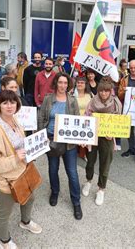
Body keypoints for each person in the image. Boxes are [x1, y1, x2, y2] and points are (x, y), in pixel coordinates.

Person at [0, 90, 42, 249]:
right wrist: (16, 158)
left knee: (30, 198)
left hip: (22, 173)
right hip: (5, 181)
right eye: (5, 102)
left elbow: (22, 145)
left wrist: (35, 146)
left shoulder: (15, 120)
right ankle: (4, 241)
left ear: (17, 104)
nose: (9, 106)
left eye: (12, 102)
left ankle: (25, 222)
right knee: (4, 213)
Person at [38, 73, 82, 220]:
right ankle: (55, 192)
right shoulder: (48, 99)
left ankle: (76, 202)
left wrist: (81, 137)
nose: (63, 86)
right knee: (52, 169)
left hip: (69, 143)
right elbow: (41, 118)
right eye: (60, 82)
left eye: (65, 83)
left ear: (68, 84)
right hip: (51, 140)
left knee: (72, 173)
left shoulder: (72, 101)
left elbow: (77, 120)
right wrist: (41, 137)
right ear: (56, 83)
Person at [82, 78, 122, 205]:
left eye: (106, 91)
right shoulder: (92, 102)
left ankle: (101, 189)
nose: (103, 94)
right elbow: (86, 117)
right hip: (92, 136)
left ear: (111, 91)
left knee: (105, 163)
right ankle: (88, 181)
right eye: (101, 91)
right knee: (90, 160)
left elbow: (120, 121)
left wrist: (113, 132)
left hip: (107, 137)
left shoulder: (115, 103)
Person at [74, 76, 93, 160]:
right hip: (75, 119)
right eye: (78, 82)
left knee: (85, 138)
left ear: (86, 84)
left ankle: (83, 154)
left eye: (82, 83)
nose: (80, 84)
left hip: (87, 120)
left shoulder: (90, 95)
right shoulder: (72, 95)